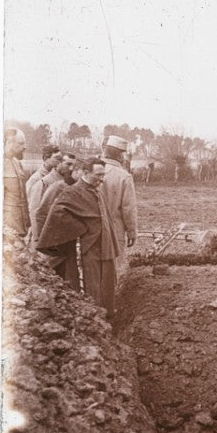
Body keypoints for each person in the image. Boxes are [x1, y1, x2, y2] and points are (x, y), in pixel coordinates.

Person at [35, 158, 113, 298]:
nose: (102, 179)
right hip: (88, 249)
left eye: (103, 175)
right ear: (86, 172)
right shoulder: (72, 192)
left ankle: (107, 311)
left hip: (104, 246)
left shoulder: (97, 191)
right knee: (91, 287)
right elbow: (57, 214)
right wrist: (81, 229)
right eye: (98, 175)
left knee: (106, 285)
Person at [95, 135, 139, 318]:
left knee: (94, 268)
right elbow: (128, 207)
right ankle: (111, 307)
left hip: (92, 229)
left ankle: (95, 305)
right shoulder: (123, 176)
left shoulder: (90, 171)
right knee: (114, 267)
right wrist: (132, 231)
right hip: (115, 228)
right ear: (121, 155)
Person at [3, 128, 31, 239]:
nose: (24, 147)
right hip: (6, 229)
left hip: (20, 226)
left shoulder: (18, 163)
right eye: (20, 143)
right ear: (9, 142)